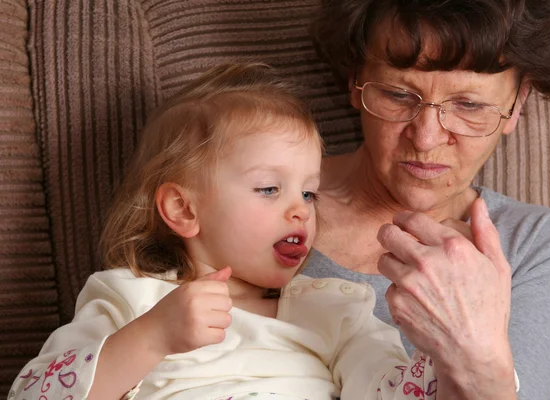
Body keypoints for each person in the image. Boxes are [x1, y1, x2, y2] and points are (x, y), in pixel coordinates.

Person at [8, 63, 443, 400]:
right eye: (269, 188)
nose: (300, 211)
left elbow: (392, 391)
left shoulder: (335, 311)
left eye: (309, 194)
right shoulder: (132, 300)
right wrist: (153, 336)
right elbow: (35, 393)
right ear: (183, 208)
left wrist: (441, 345)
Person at [302, 1, 550, 400]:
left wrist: (475, 355)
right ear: (355, 80)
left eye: (468, 105)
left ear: (517, 103)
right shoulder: (249, 200)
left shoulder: (534, 244)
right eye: (399, 95)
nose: (426, 138)